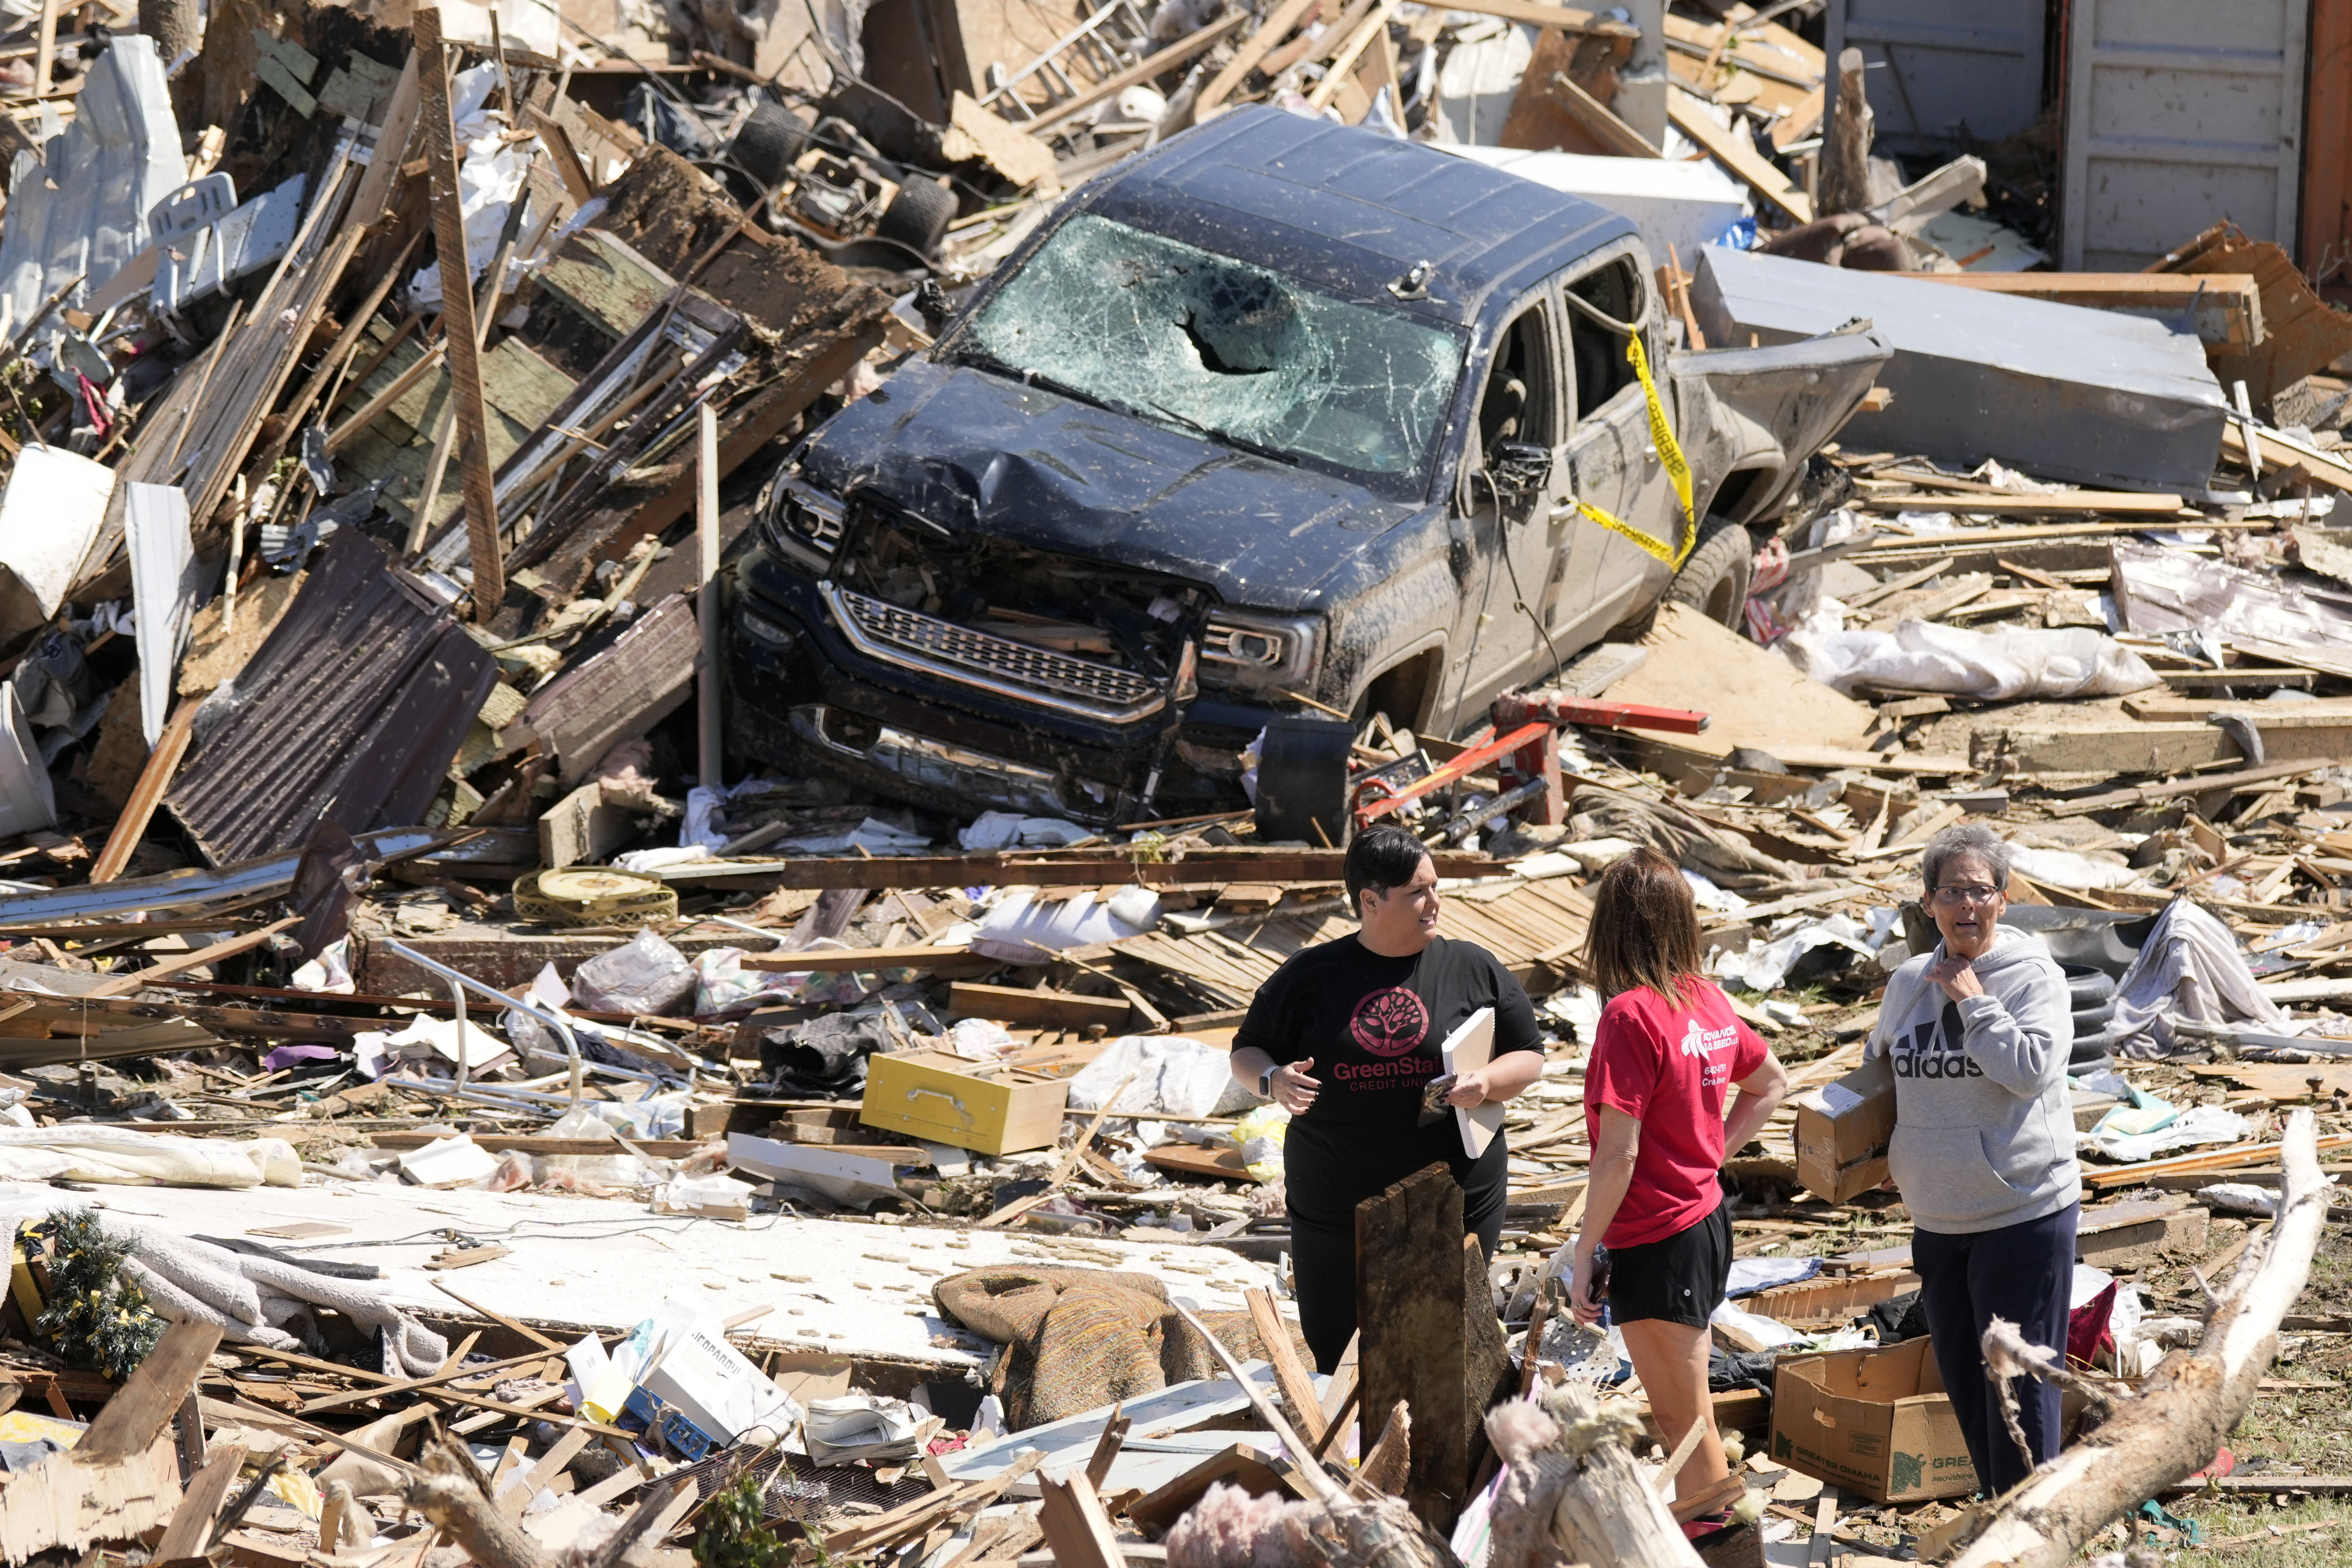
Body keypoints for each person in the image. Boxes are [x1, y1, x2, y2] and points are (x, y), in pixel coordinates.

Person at [1230, 824, 1545, 1372]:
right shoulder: (1312, 976)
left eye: (1435, 886)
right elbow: (1246, 1052)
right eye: (1417, 892)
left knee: (1443, 1348)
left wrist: (1486, 1084)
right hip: (1337, 1202)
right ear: (1370, 901)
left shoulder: (1471, 967)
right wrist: (1273, 1079)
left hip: (1455, 1196)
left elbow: (1529, 1056)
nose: (1434, 903)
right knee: (1339, 1350)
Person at [1568, 847, 1786, 1529]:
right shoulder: (1705, 998)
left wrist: (1583, 1248)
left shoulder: (1631, 1015)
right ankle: (1708, 1538)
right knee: (1676, 1414)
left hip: (1660, 1232)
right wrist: (1708, 1152)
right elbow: (1771, 1083)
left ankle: (1724, 1546)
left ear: (1611, 927)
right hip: (1699, 1221)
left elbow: (1617, 1155)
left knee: (1685, 1419)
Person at [1872, 822, 2077, 1497]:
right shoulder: (1905, 981)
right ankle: (2001, 1520)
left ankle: (2034, 1536)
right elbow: (1879, 1072)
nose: (1967, 907)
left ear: (2004, 900)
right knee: (1964, 1383)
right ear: (1928, 902)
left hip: (2019, 1212)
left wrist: (1973, 1003)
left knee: (2018, 1393)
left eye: (1980, 892)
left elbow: (2027, 1070)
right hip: (1936, 1217)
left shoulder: (2031, 978)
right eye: (1952, 892)